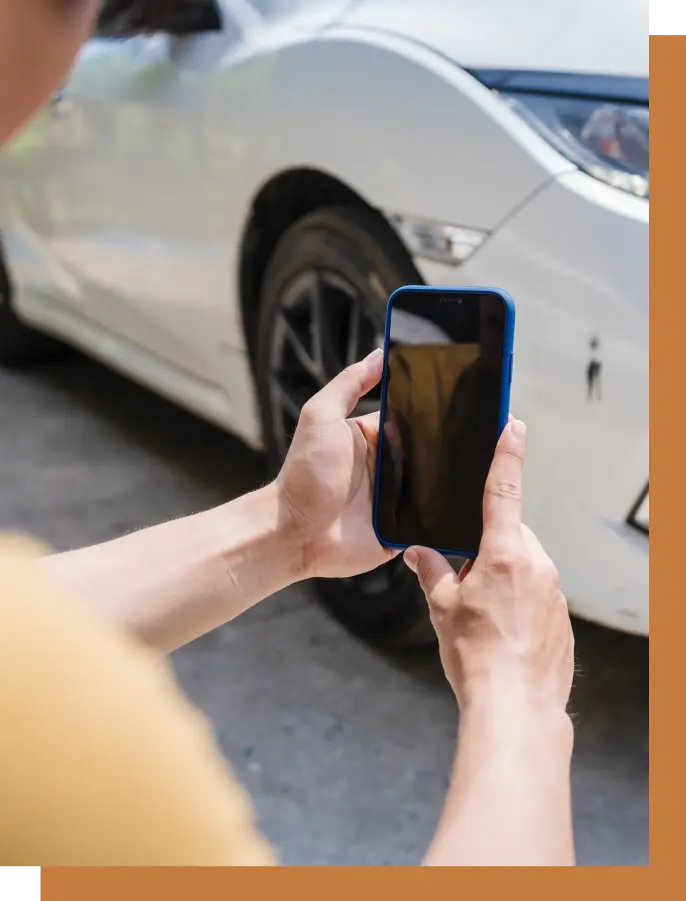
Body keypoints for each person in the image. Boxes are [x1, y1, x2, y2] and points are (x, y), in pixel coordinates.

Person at [0, 0, 575, 867]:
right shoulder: (86, 749)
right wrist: (520, 702)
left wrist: (286, 532)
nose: (73, 61)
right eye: (72, 6)